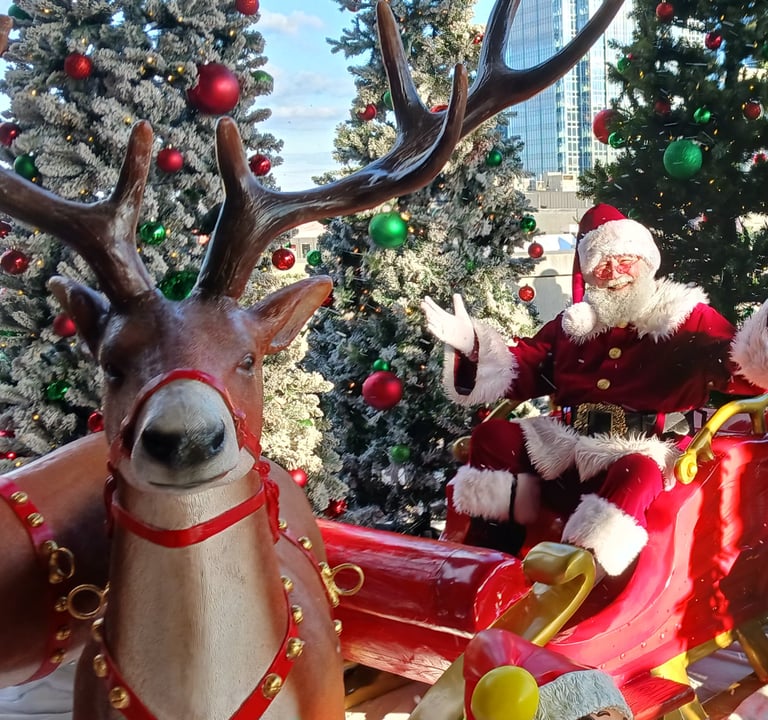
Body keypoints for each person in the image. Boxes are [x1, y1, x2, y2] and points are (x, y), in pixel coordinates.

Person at [422, 203, 768, 578]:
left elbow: (736, 365)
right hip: (565, 443)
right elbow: (525, 366)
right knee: (495, 435)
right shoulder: (575, 325)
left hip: (640, 444)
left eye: (624, 261)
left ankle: (577, 575)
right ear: (589, 274)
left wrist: (761, 343)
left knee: (638, 470)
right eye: (602, 265)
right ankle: (490, 552)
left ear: (646, 262)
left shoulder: (685, 317)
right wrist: (473, 347)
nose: (614, 273)